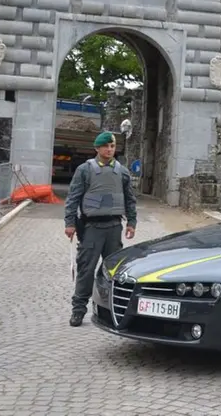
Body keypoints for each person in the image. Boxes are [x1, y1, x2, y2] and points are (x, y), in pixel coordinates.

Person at [65, 131, 137, 327]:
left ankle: (115, 311)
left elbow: (130, 199)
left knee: (114, 273)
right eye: (106, 146)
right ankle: (78, 310)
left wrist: (131, 222)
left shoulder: (122, 172)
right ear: (97, 148)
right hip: (92, 228)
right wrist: (70, 223)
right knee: (86, 270)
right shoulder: (85, 170)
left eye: (112, 146)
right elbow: (73, 197)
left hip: (114, 227)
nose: (109, 149)